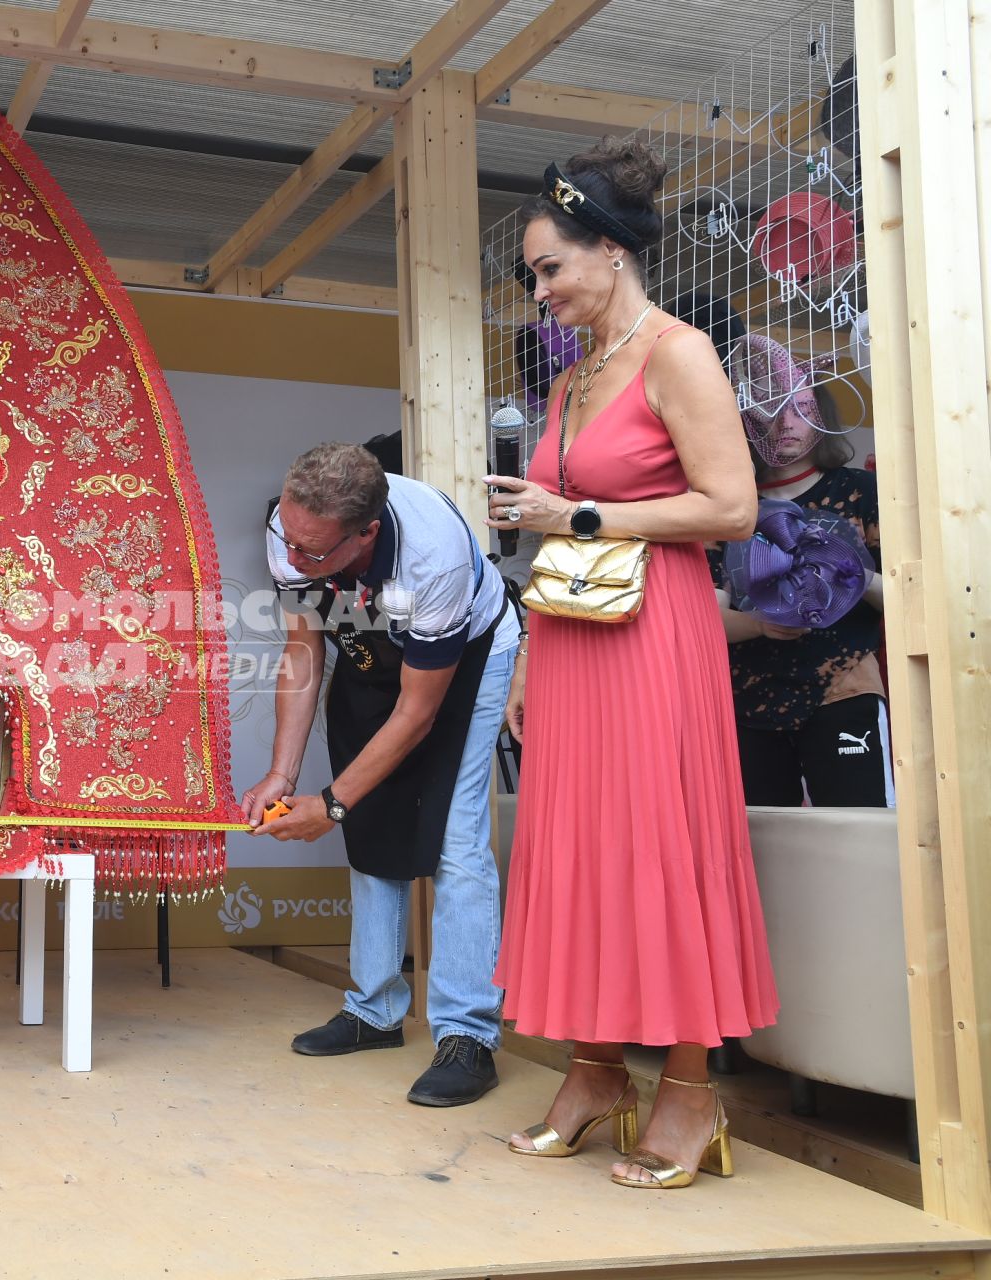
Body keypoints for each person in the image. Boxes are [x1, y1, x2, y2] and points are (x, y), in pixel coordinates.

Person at [484, 139, 778, 1189]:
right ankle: (596, 1071)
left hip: (656, 642)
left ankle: (691, 1090)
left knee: (661, 844)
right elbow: (554, 537)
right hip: (568, 643)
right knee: (578, 850)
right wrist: (524, 656)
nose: (541, 287)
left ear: (610, 251)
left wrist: (586, 511)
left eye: (551, 266)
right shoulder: (569, 381)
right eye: (532, 273)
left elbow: (732, 507)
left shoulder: (678, 352)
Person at [244, 442, 519, 1107]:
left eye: (314, 551)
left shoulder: (434, 555)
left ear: (367, 533)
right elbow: (304, 647)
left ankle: (467, 1035)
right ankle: (373, 1012)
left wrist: (331, 804)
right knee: (370, 823)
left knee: (454, 837)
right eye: (289, 535)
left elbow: (419, 714)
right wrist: (283, 773)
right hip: (372, 648)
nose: (293, 555)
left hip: (463, 662)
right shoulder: (295, 530)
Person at [712, 373, 891, 807]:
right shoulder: (728, 507)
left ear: (823, 420)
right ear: (749, 422)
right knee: (766, 842)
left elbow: (907, 599)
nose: (786, 422)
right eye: (770, 410)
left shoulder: (860, 490)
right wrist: (760, 625)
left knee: (858, 832)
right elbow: (708, 617)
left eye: (802, 409)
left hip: (844, 688)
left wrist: (850, 572)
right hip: (748, 699)